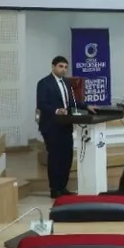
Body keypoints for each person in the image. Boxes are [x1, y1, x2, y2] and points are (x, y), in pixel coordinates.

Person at [36, 55, 95, 198]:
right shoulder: (44, 83)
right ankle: (55, 189)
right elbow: (42, 104)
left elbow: (72, 102)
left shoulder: (66, 83)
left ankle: (63, 187)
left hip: (65, 124)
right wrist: (57, 110)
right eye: (61, 66)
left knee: (66, 157)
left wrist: (86, 106)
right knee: (55, 157)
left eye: (65, 67)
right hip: (51, 126)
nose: (63, 70)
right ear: (53, 67)